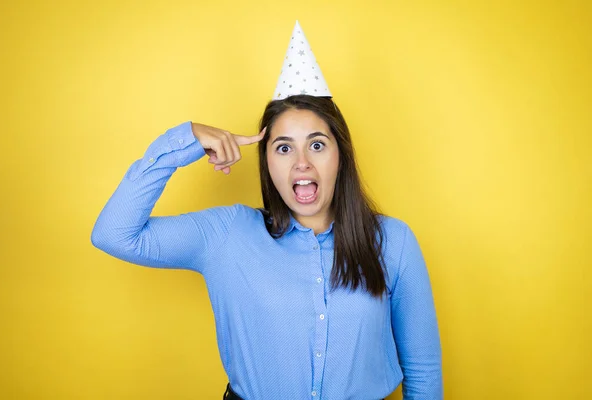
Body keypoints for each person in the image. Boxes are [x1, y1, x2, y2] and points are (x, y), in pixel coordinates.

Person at [91, 21, 442, 400]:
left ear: (341, 155)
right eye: (284, 148)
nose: (302, 163)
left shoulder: (392, 241)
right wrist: (185, 140)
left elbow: (422, 373)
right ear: (267, 162)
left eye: (318, 145)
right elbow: (114, 233)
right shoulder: (228, 234)